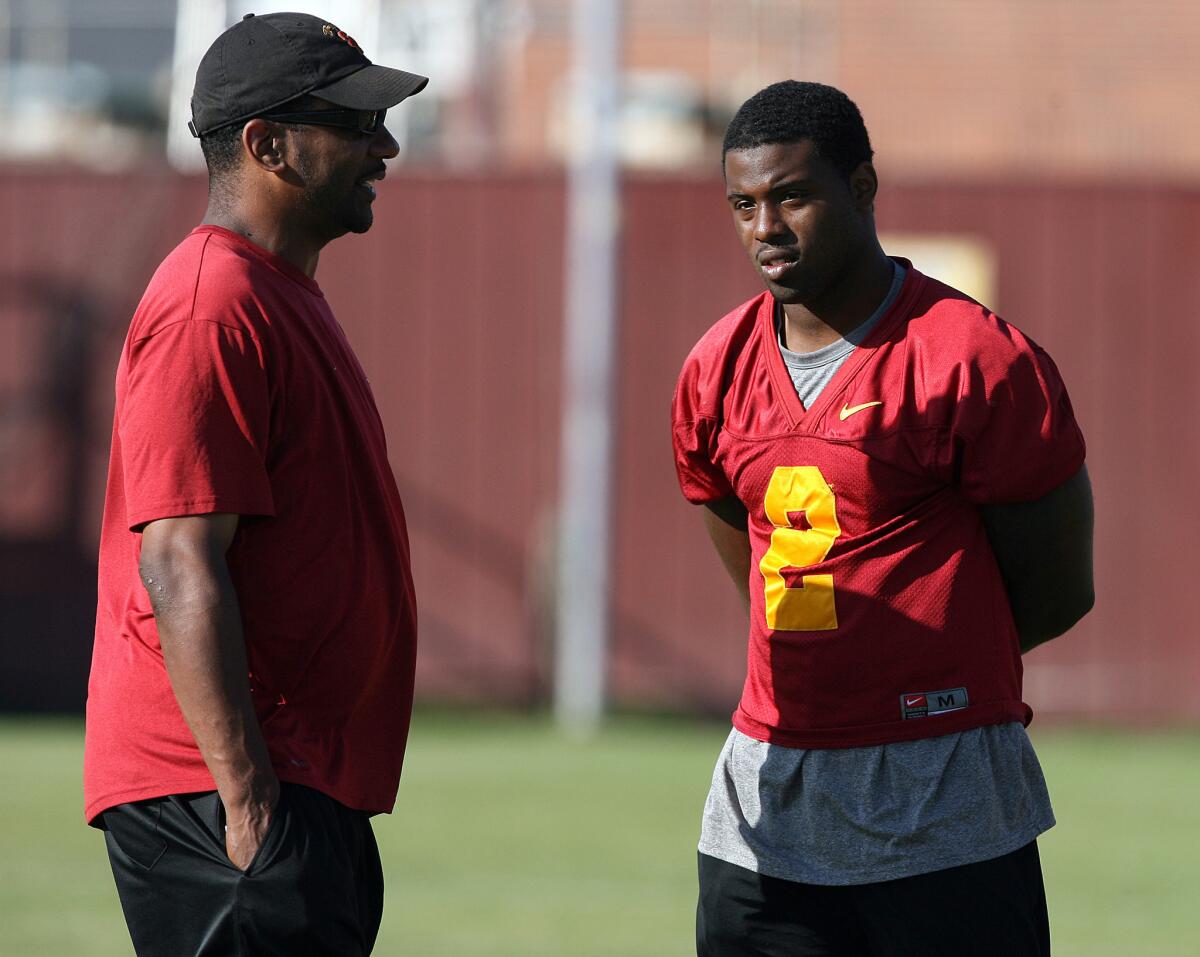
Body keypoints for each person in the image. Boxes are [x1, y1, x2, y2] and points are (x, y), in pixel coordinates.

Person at [671, 81, 1094, 956]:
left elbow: (1056, 588)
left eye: (793, 196)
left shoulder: (973, 357)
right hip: (769, 792)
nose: (766, 228)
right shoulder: (716, 366)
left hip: (942, 790)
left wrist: (937, 673)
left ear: (862, 189)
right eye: (743, 205)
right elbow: (749, 561)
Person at [83, 12, 428, 956]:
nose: (383, 146)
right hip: (220, 790)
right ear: (266, 144)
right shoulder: (213, 302)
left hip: (289, 780)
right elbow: (179, 560)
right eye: (356, 124)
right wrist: (246, 796)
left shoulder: (275, 290)